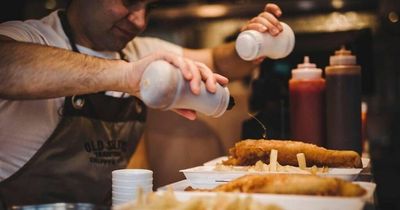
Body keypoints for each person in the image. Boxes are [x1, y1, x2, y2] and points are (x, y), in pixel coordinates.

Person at [0, 0, 284, 207]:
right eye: (129, 2)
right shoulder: (30, 38)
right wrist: (127, 76)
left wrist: (251, 45)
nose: (140, 21)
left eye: (149, 8)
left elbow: (221, 62)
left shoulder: (137, 51)